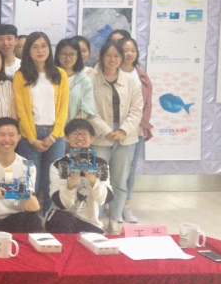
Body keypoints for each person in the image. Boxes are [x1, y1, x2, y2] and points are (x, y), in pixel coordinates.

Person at [87, 40, 142, 235]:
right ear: (102, 57)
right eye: (108, 55)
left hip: (125, 139)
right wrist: (106, 130)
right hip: (100, 138)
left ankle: (115, 218)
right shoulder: (91, 79)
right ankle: (96, 219)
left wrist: (123, 131)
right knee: (99, 180)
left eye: (116, 56)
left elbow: (137, 109)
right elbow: (89, 110)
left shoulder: (131, 80)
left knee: (120, 181)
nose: (112, 59)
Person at [13, 32, 68, 214]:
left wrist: (54, 136)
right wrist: (31, 138)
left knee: (52, 182)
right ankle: (31, 220)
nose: (40, 50)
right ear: (28, 50)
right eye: (35, 47)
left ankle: (49, 219)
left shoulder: (60, 74)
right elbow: (21, 110)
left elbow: (63, 108)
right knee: (31, 183)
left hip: (55, 136)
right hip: (30, 136)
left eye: (44, 46)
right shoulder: (21, 76)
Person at [0, 117, 42, 233]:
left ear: (18, 138)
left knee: (34, 220)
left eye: (11, 135)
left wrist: (33, 205)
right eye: (2, 135)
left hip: (16, 218)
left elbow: (28, 199)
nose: (7, 139)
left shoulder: (28, 166)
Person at [45, 119, 112, 234]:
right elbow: (61, 203)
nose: (79, 138)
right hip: (62, 217)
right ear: (67, 137)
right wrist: (72, 181)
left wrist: (93, 180)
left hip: (89, 221)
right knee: (64, 220)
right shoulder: (60, 164)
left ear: (92, 138)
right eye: (74, 134)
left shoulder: (100, 164)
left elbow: (105, 199)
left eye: (84, 134)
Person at [118, 36, 153, 225]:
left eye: (133, 50)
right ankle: (109, 205)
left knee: (130, 170)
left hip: (136, 130)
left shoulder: (142, 76)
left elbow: (147, 104)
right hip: (114, 130)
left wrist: (140, 126)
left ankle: (126, 205)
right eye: (125, 50)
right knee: (111, 169)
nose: (129, 54)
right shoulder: (110, 72)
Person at [54, 38, 96, 123]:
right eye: (64, 54)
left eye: (72, 54)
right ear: (58, 55)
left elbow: (88, 107)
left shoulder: (84, 80)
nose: (68, 58)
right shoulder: (50, 77)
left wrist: (72, 126)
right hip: (50, 127)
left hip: (74, 128)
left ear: (77, 56)